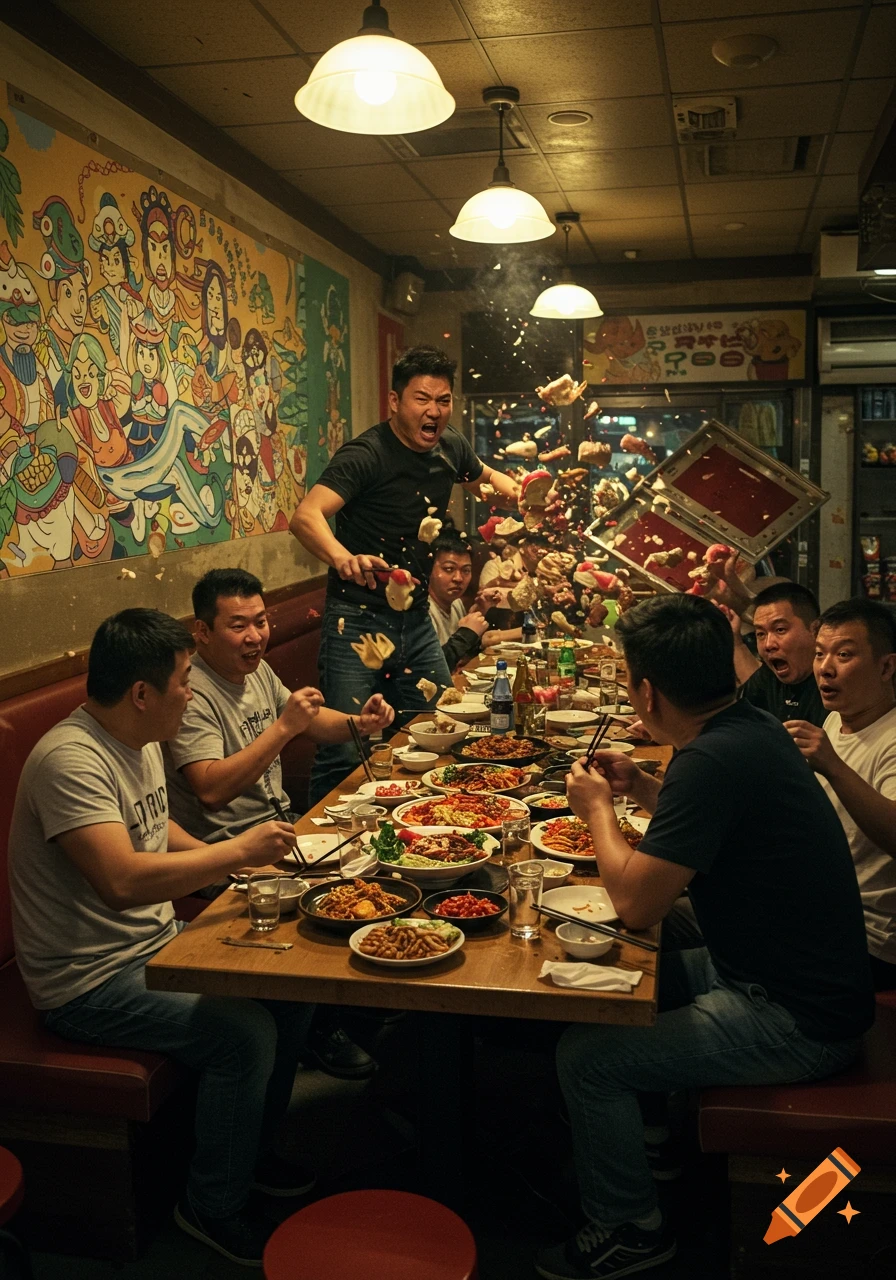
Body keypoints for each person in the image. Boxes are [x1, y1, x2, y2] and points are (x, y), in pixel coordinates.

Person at [534, 594, 874, 1280]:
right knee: (626, 974)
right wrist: (643, 788)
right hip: (772, 972)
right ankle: (648, 1142)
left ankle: (631, 1228)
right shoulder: (745, 728)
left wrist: (598, 809)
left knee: (587, 1055)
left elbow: (633, 902)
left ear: (647, 691)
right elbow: (716, 821)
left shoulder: (714, 760)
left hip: (800, 1017)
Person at [8, 609, 314, 1267]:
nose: (193, 692)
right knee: (244, 1034)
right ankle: (210, 1206)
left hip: (152, 942)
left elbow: (153, 830)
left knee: (296, 977)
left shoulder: (137, 735)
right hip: (85, 980)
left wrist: (235, 859)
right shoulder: (71, 759)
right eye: (183, 680)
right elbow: (120, 878)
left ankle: (249, 1151)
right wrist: (235, 851)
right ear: (142, 692)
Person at [164, 567, 393, 1078]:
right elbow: (211, 788)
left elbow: (310, 718)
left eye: (261, 621)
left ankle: (344, 1008)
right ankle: (317, 1028)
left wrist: (359, 723)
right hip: (226, 851)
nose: (256, 636)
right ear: (202, 632)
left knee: (383, 850)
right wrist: (284, 728)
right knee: (341, 888)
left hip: (282, 830)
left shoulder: (255, 672)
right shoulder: (190, 693)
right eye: (238, 625)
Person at [290, 345, 520, 802]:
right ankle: (323, 850)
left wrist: (510, 488)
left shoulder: (450, 444)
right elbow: (306, 516)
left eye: (443, 400)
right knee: (345, 747)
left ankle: (432, 821)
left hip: (413, 618)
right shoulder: (366, 454)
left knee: (435, 724)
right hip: (355, 618)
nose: (434, 411)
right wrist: (342, 557)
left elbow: (481, 474)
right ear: (395, 402)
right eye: (422, 399)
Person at [786, 598, 896, 992]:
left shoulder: (891, 737)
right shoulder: (837, 719)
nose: (825, 668)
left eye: (844, 654)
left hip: (865, 939)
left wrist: (832, 764)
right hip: (816, 907)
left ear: (886, 666)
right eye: (819, 654)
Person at [723, 581, 826, 725]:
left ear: (814, 630)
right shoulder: (767, 678)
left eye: (780, 630)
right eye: (760, 634)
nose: (768, 644)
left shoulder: (834, 683)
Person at [427, 530, 521, 670]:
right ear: (428, 569)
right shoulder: (422, 611)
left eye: (466, 570)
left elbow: (462, 658)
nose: (458, 578)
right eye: (449, 569)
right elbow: (431, 669)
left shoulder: (455, 603)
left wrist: (481, 610)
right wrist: (467, 634)